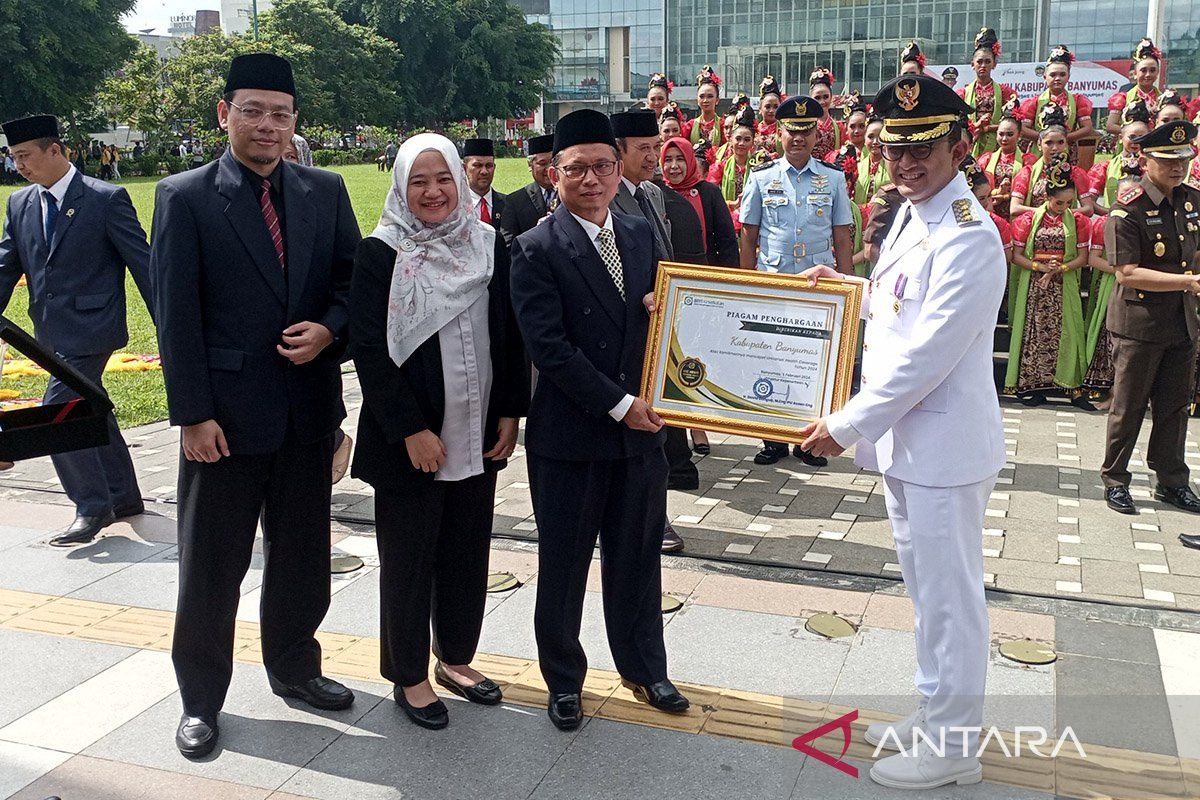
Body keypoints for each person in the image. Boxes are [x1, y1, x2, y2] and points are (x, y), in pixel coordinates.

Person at [798, 74, 1006, 790]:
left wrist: (845, 424)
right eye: (895, 151)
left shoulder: (970, 236)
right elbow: (901, 307)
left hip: (944, 447)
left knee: (952, 601)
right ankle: (935, 710)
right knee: (927, 594)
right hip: (913, 448)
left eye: (924, 150)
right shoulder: (916, 215)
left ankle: (954, 748)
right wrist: (847, 286)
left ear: (958, 147)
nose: (907, 165)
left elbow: (926, 354)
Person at [151, 53, 361, 759]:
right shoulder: (183, 196)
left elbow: (351, 285)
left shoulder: (324, 191)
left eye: (281, 114)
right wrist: (192, 415)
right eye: (253, 111)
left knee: (303, 558)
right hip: (226, 423)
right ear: (224, 114)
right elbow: (175, 316)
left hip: (306, 415)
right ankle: (201, 699)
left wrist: (331, 328)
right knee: (212, 566)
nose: (268, 126)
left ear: (295, 121)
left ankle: (296, 669)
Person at [509, 109, 690, 731]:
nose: (592, 180)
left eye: (603, 167)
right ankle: (563, 679)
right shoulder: (534, 248)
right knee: (564, 564)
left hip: (642, 434)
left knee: (639, 556)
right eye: (577, 168)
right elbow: (549, 348)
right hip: (574, 434)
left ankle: (646, 667)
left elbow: (664, 310)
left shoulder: (639, 232)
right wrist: (619, 404)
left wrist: (656, 310)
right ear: (554, 174)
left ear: (620, 169)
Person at [349, 133, 528, 730]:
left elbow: (507, 332)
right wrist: (409, 430)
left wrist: (509, 410)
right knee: (408, 557)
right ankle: (408, 674)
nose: (432, 191)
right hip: (413, 440)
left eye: (443, 179)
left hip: (477, 428)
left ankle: (455, 657)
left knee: (465, 551)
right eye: (419, 181)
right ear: (401, 185)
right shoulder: (381, 252)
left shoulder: (487, 245)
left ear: (460, 180)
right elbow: (370, 349)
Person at [0, 114, 152, 547]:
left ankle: (92, 506)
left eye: (26, 156)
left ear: (56, 150)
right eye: (13, 159)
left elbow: (143, 264)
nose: (20, 167)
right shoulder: (21, 203)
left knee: (57, 412)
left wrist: (171, 327)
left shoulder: (106, 199)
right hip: (48, 334)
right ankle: (124, 498)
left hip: (94, 328)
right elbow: (7, 264)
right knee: (91, 408)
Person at [739, 95, 852, 468]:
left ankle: (807, 441)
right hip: (773, 283)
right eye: (792, 131)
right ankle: (772, 439)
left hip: (816, 289)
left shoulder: (833, 179)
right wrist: (747, 283)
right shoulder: (761, 177)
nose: (798, 138)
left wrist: (848, 285)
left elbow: (842, 236)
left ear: (817, 133)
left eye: (806, 131)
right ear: (778, 133)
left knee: (812, 362)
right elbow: (749, 236)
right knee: (769, 359)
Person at [1100, 119, 1200, 525]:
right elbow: (1126, 272)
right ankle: (1115, 478)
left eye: (1184, 159)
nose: (1178, 168)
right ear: (1145, 159)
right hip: (1139, 323)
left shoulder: (1192, 201)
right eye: (1167, 160)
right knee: (1129, 405)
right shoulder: (1129, 209)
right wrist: (1188, 282)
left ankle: (1172, 478)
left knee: (1176, 406)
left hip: (1182, 321)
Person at [609, 110, 695, 553]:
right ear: (617, 152)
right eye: (642, 149)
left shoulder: (653, 196)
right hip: (627, 333)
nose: (653, 156)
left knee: (657, 433)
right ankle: (650, 521)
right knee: (641, 435)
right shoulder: (605, 200)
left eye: (655, 147)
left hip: (661, 328)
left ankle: (651, 516)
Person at [1005, 157, 1092, 408]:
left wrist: (1059, 269)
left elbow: (1083, 257)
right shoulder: (1027, 221)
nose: (1063, 207)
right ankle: (1034, 385)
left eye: (1068, 203)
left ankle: (1074, 388)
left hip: (1063, 283)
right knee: (1034, 333)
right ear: (1046, 198)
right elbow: (1016, 256)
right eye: (1058, 202)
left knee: (1070, 331)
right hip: (1035, 284)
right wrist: (1040, 267)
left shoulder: (1078, 221)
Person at [660, 136, 738, 268]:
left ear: (690, 160)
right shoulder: (656, 192)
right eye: (668, 160)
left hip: (705, 271)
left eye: (680, 159)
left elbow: (726, 240)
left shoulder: (709, 192)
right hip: (667, 273)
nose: (674, 166)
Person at [1010, 104, 1093, 217]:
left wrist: (1061, 214)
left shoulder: (1075, 173)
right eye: (1049, 143)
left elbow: (1088, 208)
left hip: (1066, 228)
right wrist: (1048, 211)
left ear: (1066, 144)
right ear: (1039, 144)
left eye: (1060, 142)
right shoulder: (1027, 173)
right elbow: (1015, 208)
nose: (1055, 148)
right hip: (1035, 228)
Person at [1018, 45, 1095, 167]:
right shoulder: (1034, 102)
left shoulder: (1077, 101)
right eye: (1053, 75)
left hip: (1068, 151)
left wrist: (1064, 139)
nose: (1057, 78)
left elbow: (1087, 128)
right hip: (1040, 152)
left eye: (1062, 74)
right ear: (1045, 77)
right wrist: (1045, 138)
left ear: (1068, 77)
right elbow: (1022, 128)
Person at [961, 27, 1018, 157]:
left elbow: (1013, 123)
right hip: (971, 143)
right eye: (979, 62)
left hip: (998, 145)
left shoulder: (1006, 93)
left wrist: (989, 128)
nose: (983, 66)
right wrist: (977, 125)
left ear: (994, 64)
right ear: (972, 64)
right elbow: (959, 125)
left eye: (987, 62)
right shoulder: (963, 93)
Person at [1085, 101, 1150, 214]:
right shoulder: (1105, 167)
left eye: (1142, 137)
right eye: (1132, 137)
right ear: (1121, 137)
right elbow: (1090, 201)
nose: (1136, 142)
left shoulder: (1154, 166)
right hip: (1114, 222)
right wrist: (1113, 214)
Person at [976, 104, 1031, 221]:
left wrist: (1006, 196)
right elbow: (977, 187)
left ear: (1019, 136)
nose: (1004, 139)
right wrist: (997, 192)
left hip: (1017, 216)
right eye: (1001, 134)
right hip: (990, 212)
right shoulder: (986, 159)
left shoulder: (1028, 160)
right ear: (996, 135)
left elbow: (1032, 190)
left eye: (1010, 134)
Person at [500, 133, 556, 245]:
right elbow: (508, 244)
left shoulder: (573, 195)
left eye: (553, 163)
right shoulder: (515, 201)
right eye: (542, 163)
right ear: (530, 165)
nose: (549, 169)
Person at [1106, 38, 1162, 137]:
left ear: (1157, 73)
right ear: (1135, 74)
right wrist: (1137, 133)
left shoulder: (1163, 99)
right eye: (1143, 70)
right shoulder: (1123, 98)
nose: (1148, 74)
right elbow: (1110, 126)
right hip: (1131, 146)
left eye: (1152, 70)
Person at [708, 103, 756, 218]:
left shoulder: (758, 167)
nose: (741, 143)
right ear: (731, 140)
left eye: (747, 139)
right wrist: (731, 205)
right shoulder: (721, 166)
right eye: (738, 139)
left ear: (753, 142)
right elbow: (711, 196)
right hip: (726, 217)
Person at [462, 138, 504, 227]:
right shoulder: (456, 206)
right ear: (464, 168)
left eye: (489, 166)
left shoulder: (508, 204)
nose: (484, 171)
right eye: (478, 165)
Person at [683, 65, 725, 151]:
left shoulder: (723, 125)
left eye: (710, 96)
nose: (705, 100)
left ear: (717, 100)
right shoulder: (690, 126)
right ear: (697, 100)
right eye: (702, 96)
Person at [808, 68, 843, 161]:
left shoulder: (839, 127)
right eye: (817, 98)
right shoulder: (806, 125)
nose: (822, 102)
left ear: (831, 97)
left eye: (826, 97)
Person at [854, 115, 889, 205]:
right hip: (859, 216)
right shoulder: (857, 166)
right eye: (870, 137)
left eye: (880, 137)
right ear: (864, 139)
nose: (875, 142)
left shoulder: (894, 166)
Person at [754, 75, 783, 162]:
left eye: (775, 107)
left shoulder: (785, 130)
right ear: (760, 109)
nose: (771, 110)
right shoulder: (754, 130)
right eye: (767, 107)